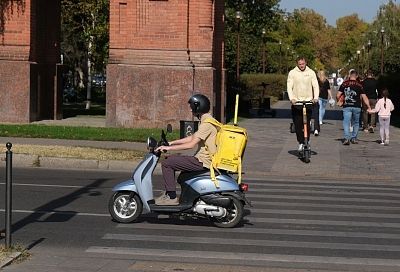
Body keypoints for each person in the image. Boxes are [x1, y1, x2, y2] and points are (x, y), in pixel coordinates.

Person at [154, 94, 217, 205]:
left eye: (192, 106)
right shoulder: (207, 121)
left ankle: (171, 197)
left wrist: (168, 148)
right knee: (174, 163)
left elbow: (191, 144)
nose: (190, 109)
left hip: (204, 161)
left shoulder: (207, 124)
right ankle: (173, 194)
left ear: (198, 107)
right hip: (203, 159)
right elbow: (192, 137)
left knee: (167, 163)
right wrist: (170, 142)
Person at [287, 56, 319, 151]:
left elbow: (315, 86)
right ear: (297, 64)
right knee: (297, 124)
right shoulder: (292, 73)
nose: (301, 66)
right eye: (300, 64)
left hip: (308, 101)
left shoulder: (311, 72)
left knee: (307, 123)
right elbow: (289, 86)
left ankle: (307, 140)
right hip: (297, 103)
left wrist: (315, 98)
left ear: (306, 63)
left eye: (303, 64)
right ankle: (300, 142)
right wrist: (292, 98)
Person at [336, 69, 372, 145]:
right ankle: (354, 138)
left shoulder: (344, 84)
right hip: (357, 106)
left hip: (347, 106)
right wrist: (368, 106)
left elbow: (338, 95)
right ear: (356, 76)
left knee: (346, 122)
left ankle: (346, 138)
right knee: (356, 123)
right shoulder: (360, 85)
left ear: (349, 75)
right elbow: (364, 97)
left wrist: (339, 100)